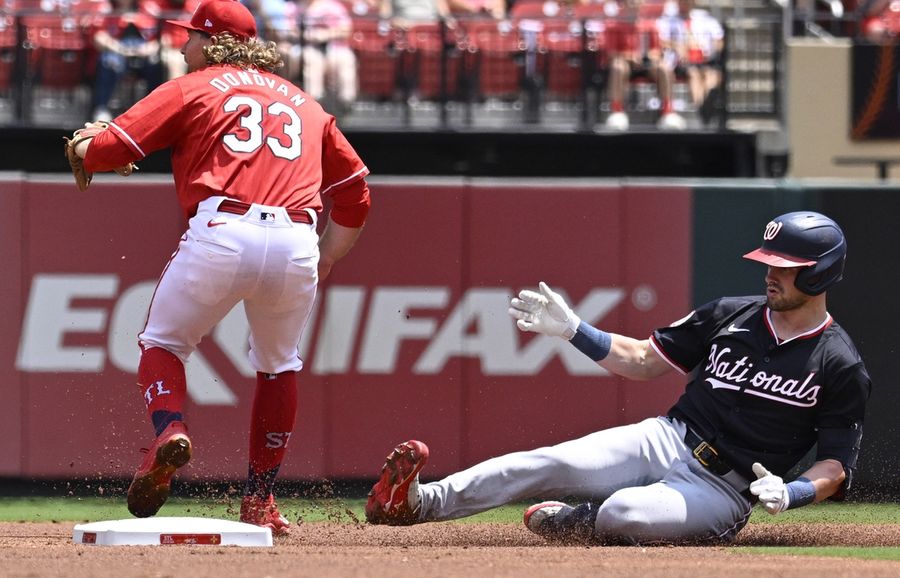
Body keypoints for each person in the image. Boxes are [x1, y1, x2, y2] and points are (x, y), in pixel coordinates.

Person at [365, 211, 871, 545]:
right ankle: (414, 504)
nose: (770, 273)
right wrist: (574, 330)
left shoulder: (838, 362)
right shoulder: (729, 314)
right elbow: (643, 360)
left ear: (820, 272)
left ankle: (572, 522)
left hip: (727, 487)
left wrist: (794, 492)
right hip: (668, 438)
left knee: (624, 515)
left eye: (785, 266)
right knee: (546, 461)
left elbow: (835, 465)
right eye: (768, 261)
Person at [69, 0, 371, 535]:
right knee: (279, 366)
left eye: (189, 36)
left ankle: (168, 431)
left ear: (213, 42)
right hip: (298, 238)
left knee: (161, 343)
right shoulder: (307, 103)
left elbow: (110, 150)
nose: (181, 45)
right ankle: (259, 500)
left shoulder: (195, 86)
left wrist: (91, 142)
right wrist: (324, 257)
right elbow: (355, 194)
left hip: (223, 230)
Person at [90, 0, 164, 121]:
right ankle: (102, 108)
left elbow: (160, 39)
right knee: (109, 62)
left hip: (143, 52)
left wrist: (148, 48)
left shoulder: (149, 8)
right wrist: (119, 48)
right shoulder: (105, 8)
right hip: (116, 50)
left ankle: (153, 109)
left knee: (155, 63)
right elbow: (98, 37)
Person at [298, 0, 359, 117]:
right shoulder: (295, 7)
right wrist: (308, 36)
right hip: (310, 48)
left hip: (335, 48)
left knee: (346, 59)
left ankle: (346, 103)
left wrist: (325, 34)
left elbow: (346, 30)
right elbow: (288, 30)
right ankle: (314, 104)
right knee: (311, 60)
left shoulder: (332, 6)